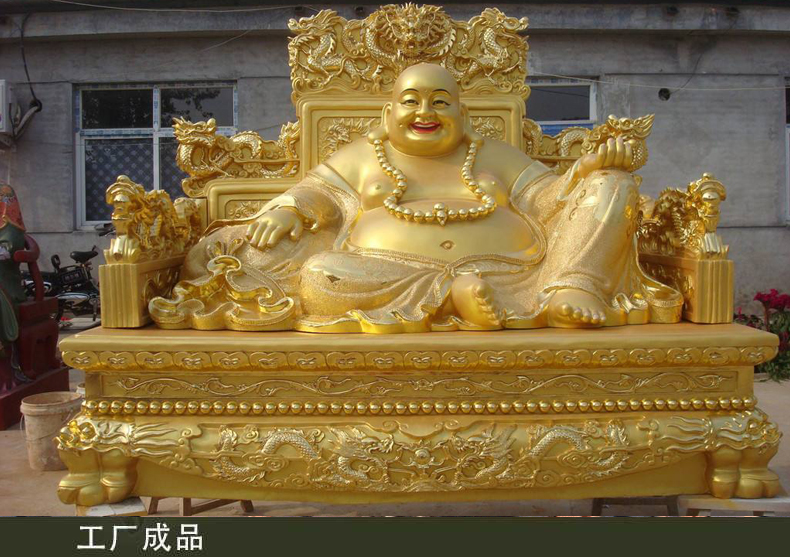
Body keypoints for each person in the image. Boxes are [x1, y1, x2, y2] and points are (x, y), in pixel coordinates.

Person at [150, 63, 681, 332]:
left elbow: (549, 201)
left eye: (440, 102)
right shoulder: (363, 155)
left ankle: (571, 288)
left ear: (463, 115)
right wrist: (291, 208)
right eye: (411, 101)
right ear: (388, 115)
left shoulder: (494, 154)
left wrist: (586, 171)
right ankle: (451, 296)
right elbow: (318, 191)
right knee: (321, 276)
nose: (425, 112)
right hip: (387, 277)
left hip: (518, 274)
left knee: (615, 186)